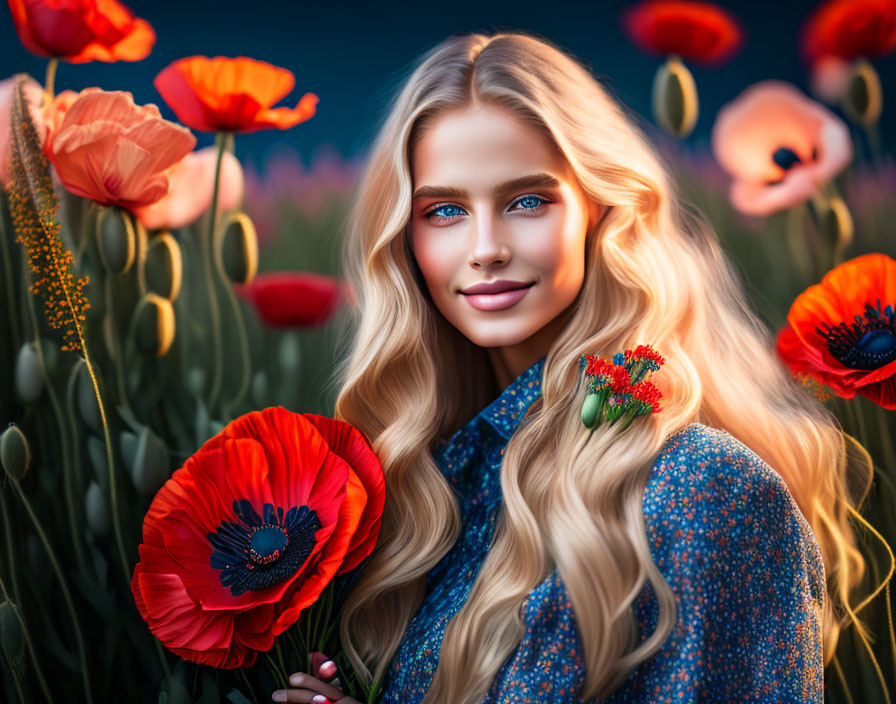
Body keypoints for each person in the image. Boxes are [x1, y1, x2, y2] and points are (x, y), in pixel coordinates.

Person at [271, 30, 869, 704]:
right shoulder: (429, 491)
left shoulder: (706, 490)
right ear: (405, 239)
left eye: (528, 201)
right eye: (444, 210)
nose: (487, 248)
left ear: (601, 210)